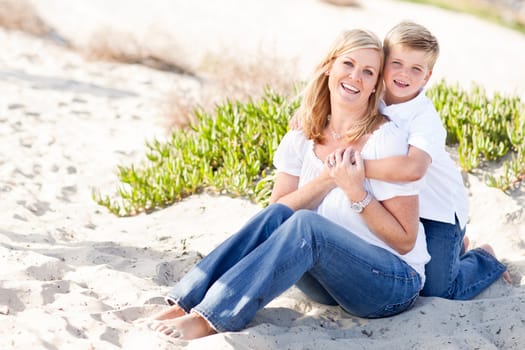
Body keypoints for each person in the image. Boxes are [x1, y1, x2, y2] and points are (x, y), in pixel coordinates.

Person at [139, 28, 430, 340]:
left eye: (368, 72)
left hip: (390, 284)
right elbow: (276, 215)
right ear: (329, 67)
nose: (355, 77)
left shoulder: (385, 140)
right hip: (328, 283)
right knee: (278, 216)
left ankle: (211, 318)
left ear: (376, 86)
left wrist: (355, 191)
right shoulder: (302, 135)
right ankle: (187, 302)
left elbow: (404, 241)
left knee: (308, 224)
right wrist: (326, 180)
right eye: (348, 64)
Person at [363, 21, 510, 299]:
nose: (404, 74)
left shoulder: (424, 118)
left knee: (438, 290)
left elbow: (415, 168)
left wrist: (357, 171)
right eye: (397, 63)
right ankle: (456, 249)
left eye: (416, 69)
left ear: (427, 77)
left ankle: (482, 258)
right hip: (402, 207)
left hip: (438, 213)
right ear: (383, 63)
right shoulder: (374, 97)